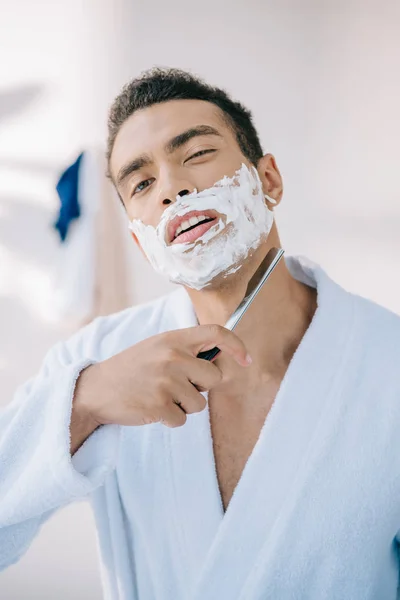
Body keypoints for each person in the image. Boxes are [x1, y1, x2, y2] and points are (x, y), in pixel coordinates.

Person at [1, 68, 400, 600]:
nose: (172, 188)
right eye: (141, 183)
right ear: (141, 243)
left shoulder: (387, 362)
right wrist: (88, 402)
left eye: (195, 155)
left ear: (269, 180)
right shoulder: (96, 359)